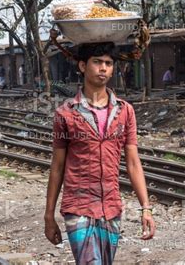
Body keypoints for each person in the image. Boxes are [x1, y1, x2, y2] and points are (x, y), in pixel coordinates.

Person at [44, 42, 156, 265]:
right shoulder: (66, 113)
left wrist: (146, 208)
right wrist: (49, 215)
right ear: (83, 66)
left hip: (111, 207)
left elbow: (133, 163)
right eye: (97, 62)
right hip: (78, 206)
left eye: (108, 63)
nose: (103, 68)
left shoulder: (125, 111)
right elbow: (57, 166)